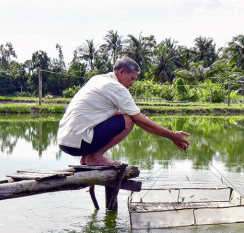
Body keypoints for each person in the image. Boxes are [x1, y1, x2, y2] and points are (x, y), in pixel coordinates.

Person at [57, 57, 190, 166]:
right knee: (128, 120)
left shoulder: (98, 79)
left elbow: (131, 115)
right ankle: (95, 156)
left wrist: (138, 116)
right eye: (132, 78)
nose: (132, 84)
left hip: (65, 142)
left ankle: (87, 158)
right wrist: (172, 135)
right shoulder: (117, 87)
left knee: (123, 115)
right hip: (78, 143)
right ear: (121, 72)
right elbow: (138, 120)